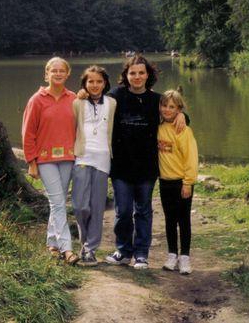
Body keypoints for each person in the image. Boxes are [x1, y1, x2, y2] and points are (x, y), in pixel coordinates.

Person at [104, 55, 186, 269]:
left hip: (147, 168)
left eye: (141, 73)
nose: (137, 76)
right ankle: (123, 251)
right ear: (126, 75)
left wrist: (183, 116)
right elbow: (93, 104)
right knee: (122, 212)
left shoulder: (155, 100)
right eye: (133, 73)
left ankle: (141, 254)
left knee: (143, 211)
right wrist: (84, 93)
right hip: (121, 167)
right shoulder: (115, 96)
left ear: (148, 75)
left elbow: (173, 111)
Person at [22, 57, 79, 265]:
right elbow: (28, 133)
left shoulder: (73, 98)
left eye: (61, 70)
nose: (57, 74)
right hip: (45, 160)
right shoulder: (36, 100)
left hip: (68, 158)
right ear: (46, 74)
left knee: (58, 202)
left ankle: (52, 243)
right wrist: (31, 161)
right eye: (53, 71)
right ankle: (67, 249)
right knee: (57, 202)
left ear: (67, 73)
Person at [71, 66, 116, 266]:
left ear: (105, 83)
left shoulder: (113, 103)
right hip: (81, 157)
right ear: (84, 84)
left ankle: (90, 249)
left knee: (97, 207)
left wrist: (182, 117)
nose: (95, 85)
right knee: (80, 206)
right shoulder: (77, 103)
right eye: (91, 82)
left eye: (99, 81)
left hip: (103, 160)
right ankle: (84, 242)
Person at [157, 90, 198, 275]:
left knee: (184, 220)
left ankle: (185, 257)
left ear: (179, 109)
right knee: (169, 220)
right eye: (164, 106)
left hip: (182, 182)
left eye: (172, 107)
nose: (167, 109)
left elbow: (191, 158)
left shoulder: (184, 130)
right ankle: (172, 254)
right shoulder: (157, 128)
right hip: (165, 182)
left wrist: (188, 182)